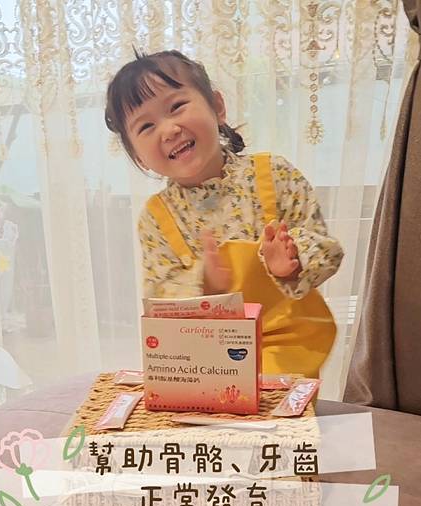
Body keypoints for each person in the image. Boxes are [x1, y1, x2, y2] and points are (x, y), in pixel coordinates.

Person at [105, 49, 344, 377]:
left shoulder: (274, 174)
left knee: (276, 409)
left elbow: (326, 249)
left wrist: (292, 261)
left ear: (217, 106)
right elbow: (160, 296)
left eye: (176, 106)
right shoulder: (156, 218)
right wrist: (204, 286)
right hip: (206, 363)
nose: (169, 130)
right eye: (146, 126)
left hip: (288, 352)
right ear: (138, 156)